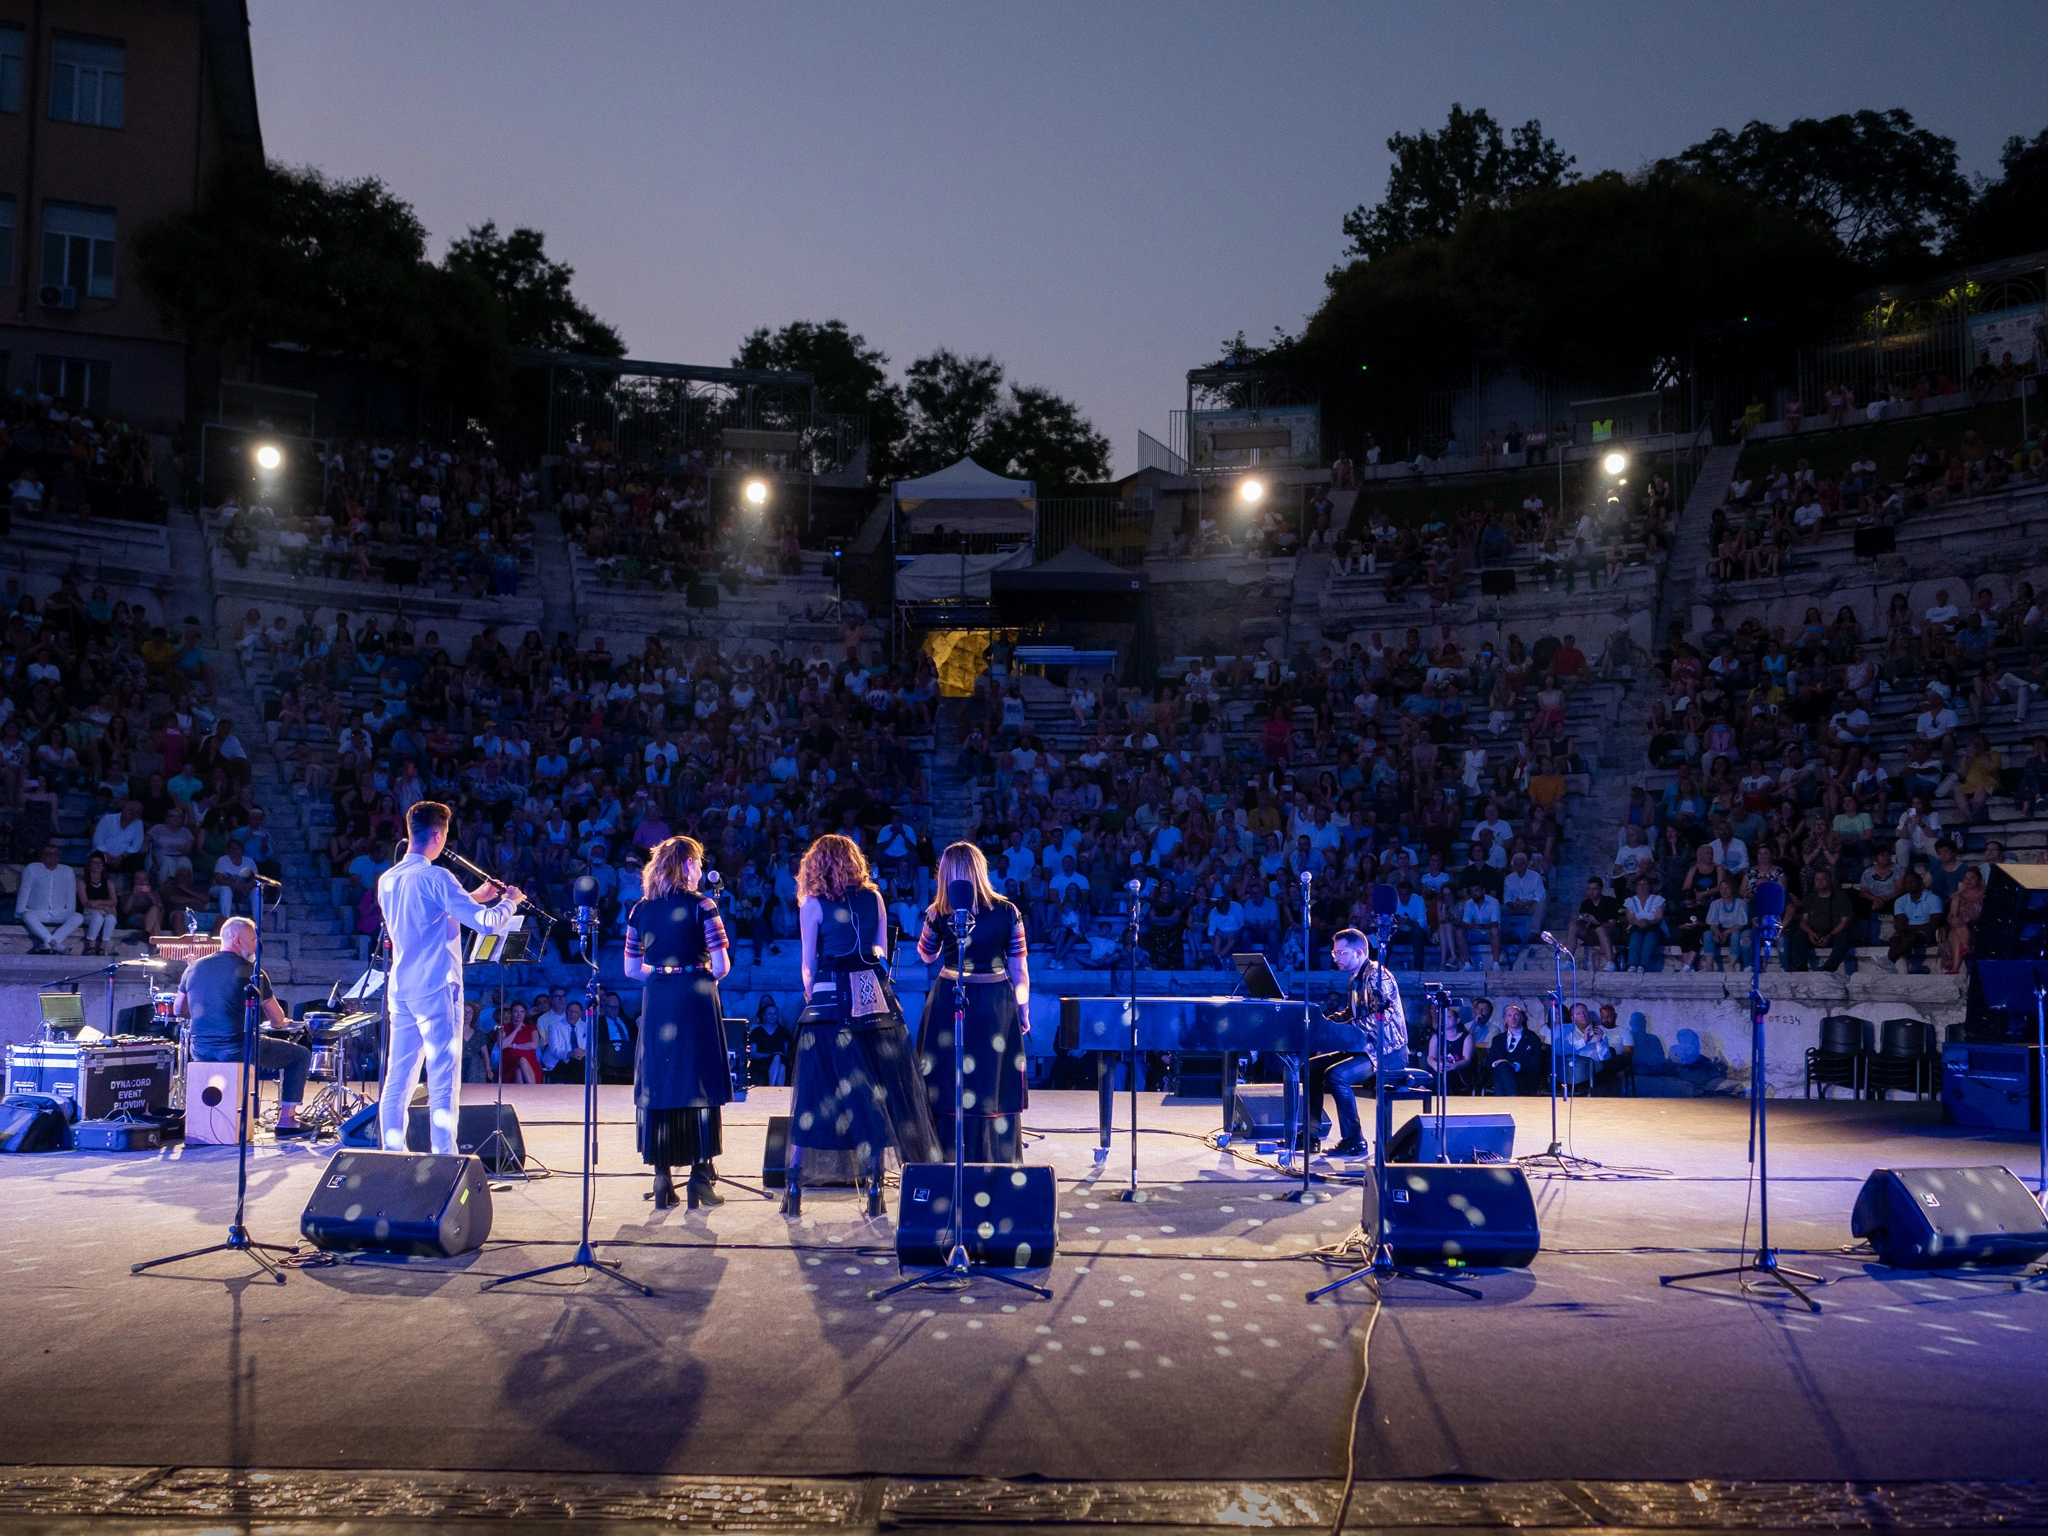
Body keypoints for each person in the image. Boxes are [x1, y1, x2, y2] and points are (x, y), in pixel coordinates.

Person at [788, 833, 940, 1218]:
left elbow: (808, 964)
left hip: (830, 998)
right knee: (878, 1090)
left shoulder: (813, 904)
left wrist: (811, 994)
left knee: (812, 1094)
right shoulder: (874, 898)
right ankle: (875, 1186)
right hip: (873, 995)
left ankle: (792, 1183)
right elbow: (880, 954)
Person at [374, 801, 526, 1155]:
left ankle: (392, 1155)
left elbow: (429, 916)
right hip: (437, 988)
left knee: (399, 1079)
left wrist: (474, 897)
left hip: (402, 988)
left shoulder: (388, 879)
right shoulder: (436, 876)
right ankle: (445, 1158)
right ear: (439, 835)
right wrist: (511, 902)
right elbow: (486, 923)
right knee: (443, 1078)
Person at [622, 835, 733, 1210]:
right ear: (687, 865)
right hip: (695, 998)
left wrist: (664, 973)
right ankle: (701, 1177)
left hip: (658, 999)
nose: (701, 869)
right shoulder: (704, 905)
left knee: (662, 1080)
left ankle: (662, 1176)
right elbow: (721, 967)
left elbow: (631, 968)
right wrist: (693, 974)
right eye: (698, 862)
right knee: (697, 1080)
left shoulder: (640, 910)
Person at [915, 842, 1031, 1162]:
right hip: (996, 1002)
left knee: (948, 1079)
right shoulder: (1008, 910)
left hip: (949, 997)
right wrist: (1023, 1011)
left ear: (946, 874)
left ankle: (947, 1158)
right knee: (991, 1081)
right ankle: (995, 1159)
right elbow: (1020, 969)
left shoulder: (939, 911)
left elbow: (926, 955)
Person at [175, 915, 310, 1136]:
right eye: (254, 939)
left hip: (200, 1049)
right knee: (300, 1055)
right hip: (236, 1048)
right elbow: (276, 1019)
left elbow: (178, 1009)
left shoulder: (193, 968)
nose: (257, 944)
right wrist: (283, 1022)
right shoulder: (254, 972)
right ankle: (287, 1120)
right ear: (237, 941)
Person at [1311, 927, 1408, 1156]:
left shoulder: (1377, 974)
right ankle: (1310, 1134)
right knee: (1311, 1067)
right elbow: (1352, 1012)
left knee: (1336, 1075)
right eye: (1335, 953)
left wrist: (1344, 1028)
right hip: (1364, 1046)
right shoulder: (1356, 978)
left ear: (1360, 951)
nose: (1337, 959)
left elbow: (1382, 1016)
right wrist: (1328, 1021)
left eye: (1342, 953)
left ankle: (1354, 1140)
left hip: (1388, 1050)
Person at [17, 843, 82, 955]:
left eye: (55, 854)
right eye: (49, 854)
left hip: (59, 913)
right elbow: (24, 892)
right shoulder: (32, 868)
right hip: (38, 912)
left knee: (78, 917)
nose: (52, 856)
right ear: (42, 856)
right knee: (27, 915)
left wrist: (70, 913)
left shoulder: (67, 871)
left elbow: (71, 896)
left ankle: (48, 944)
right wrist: (18, 914)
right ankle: (56, 945)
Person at [1486, 1002, 1546, 1095]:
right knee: (1502, 1068)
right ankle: (1513, 1099)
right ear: (1505, 1019)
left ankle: (1503, 1105)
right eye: (1509, 1015)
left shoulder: (1532, 1038)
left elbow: (1536, 1063)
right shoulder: (1498, 1039)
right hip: (1499, 1073)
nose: (1513, 1018)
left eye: (1516, 1015)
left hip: (1524, 1075)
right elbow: (1490, 1061)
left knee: (1501, 1077)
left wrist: (1515, 1066)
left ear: (1522, 1018)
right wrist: (1498, 1063)